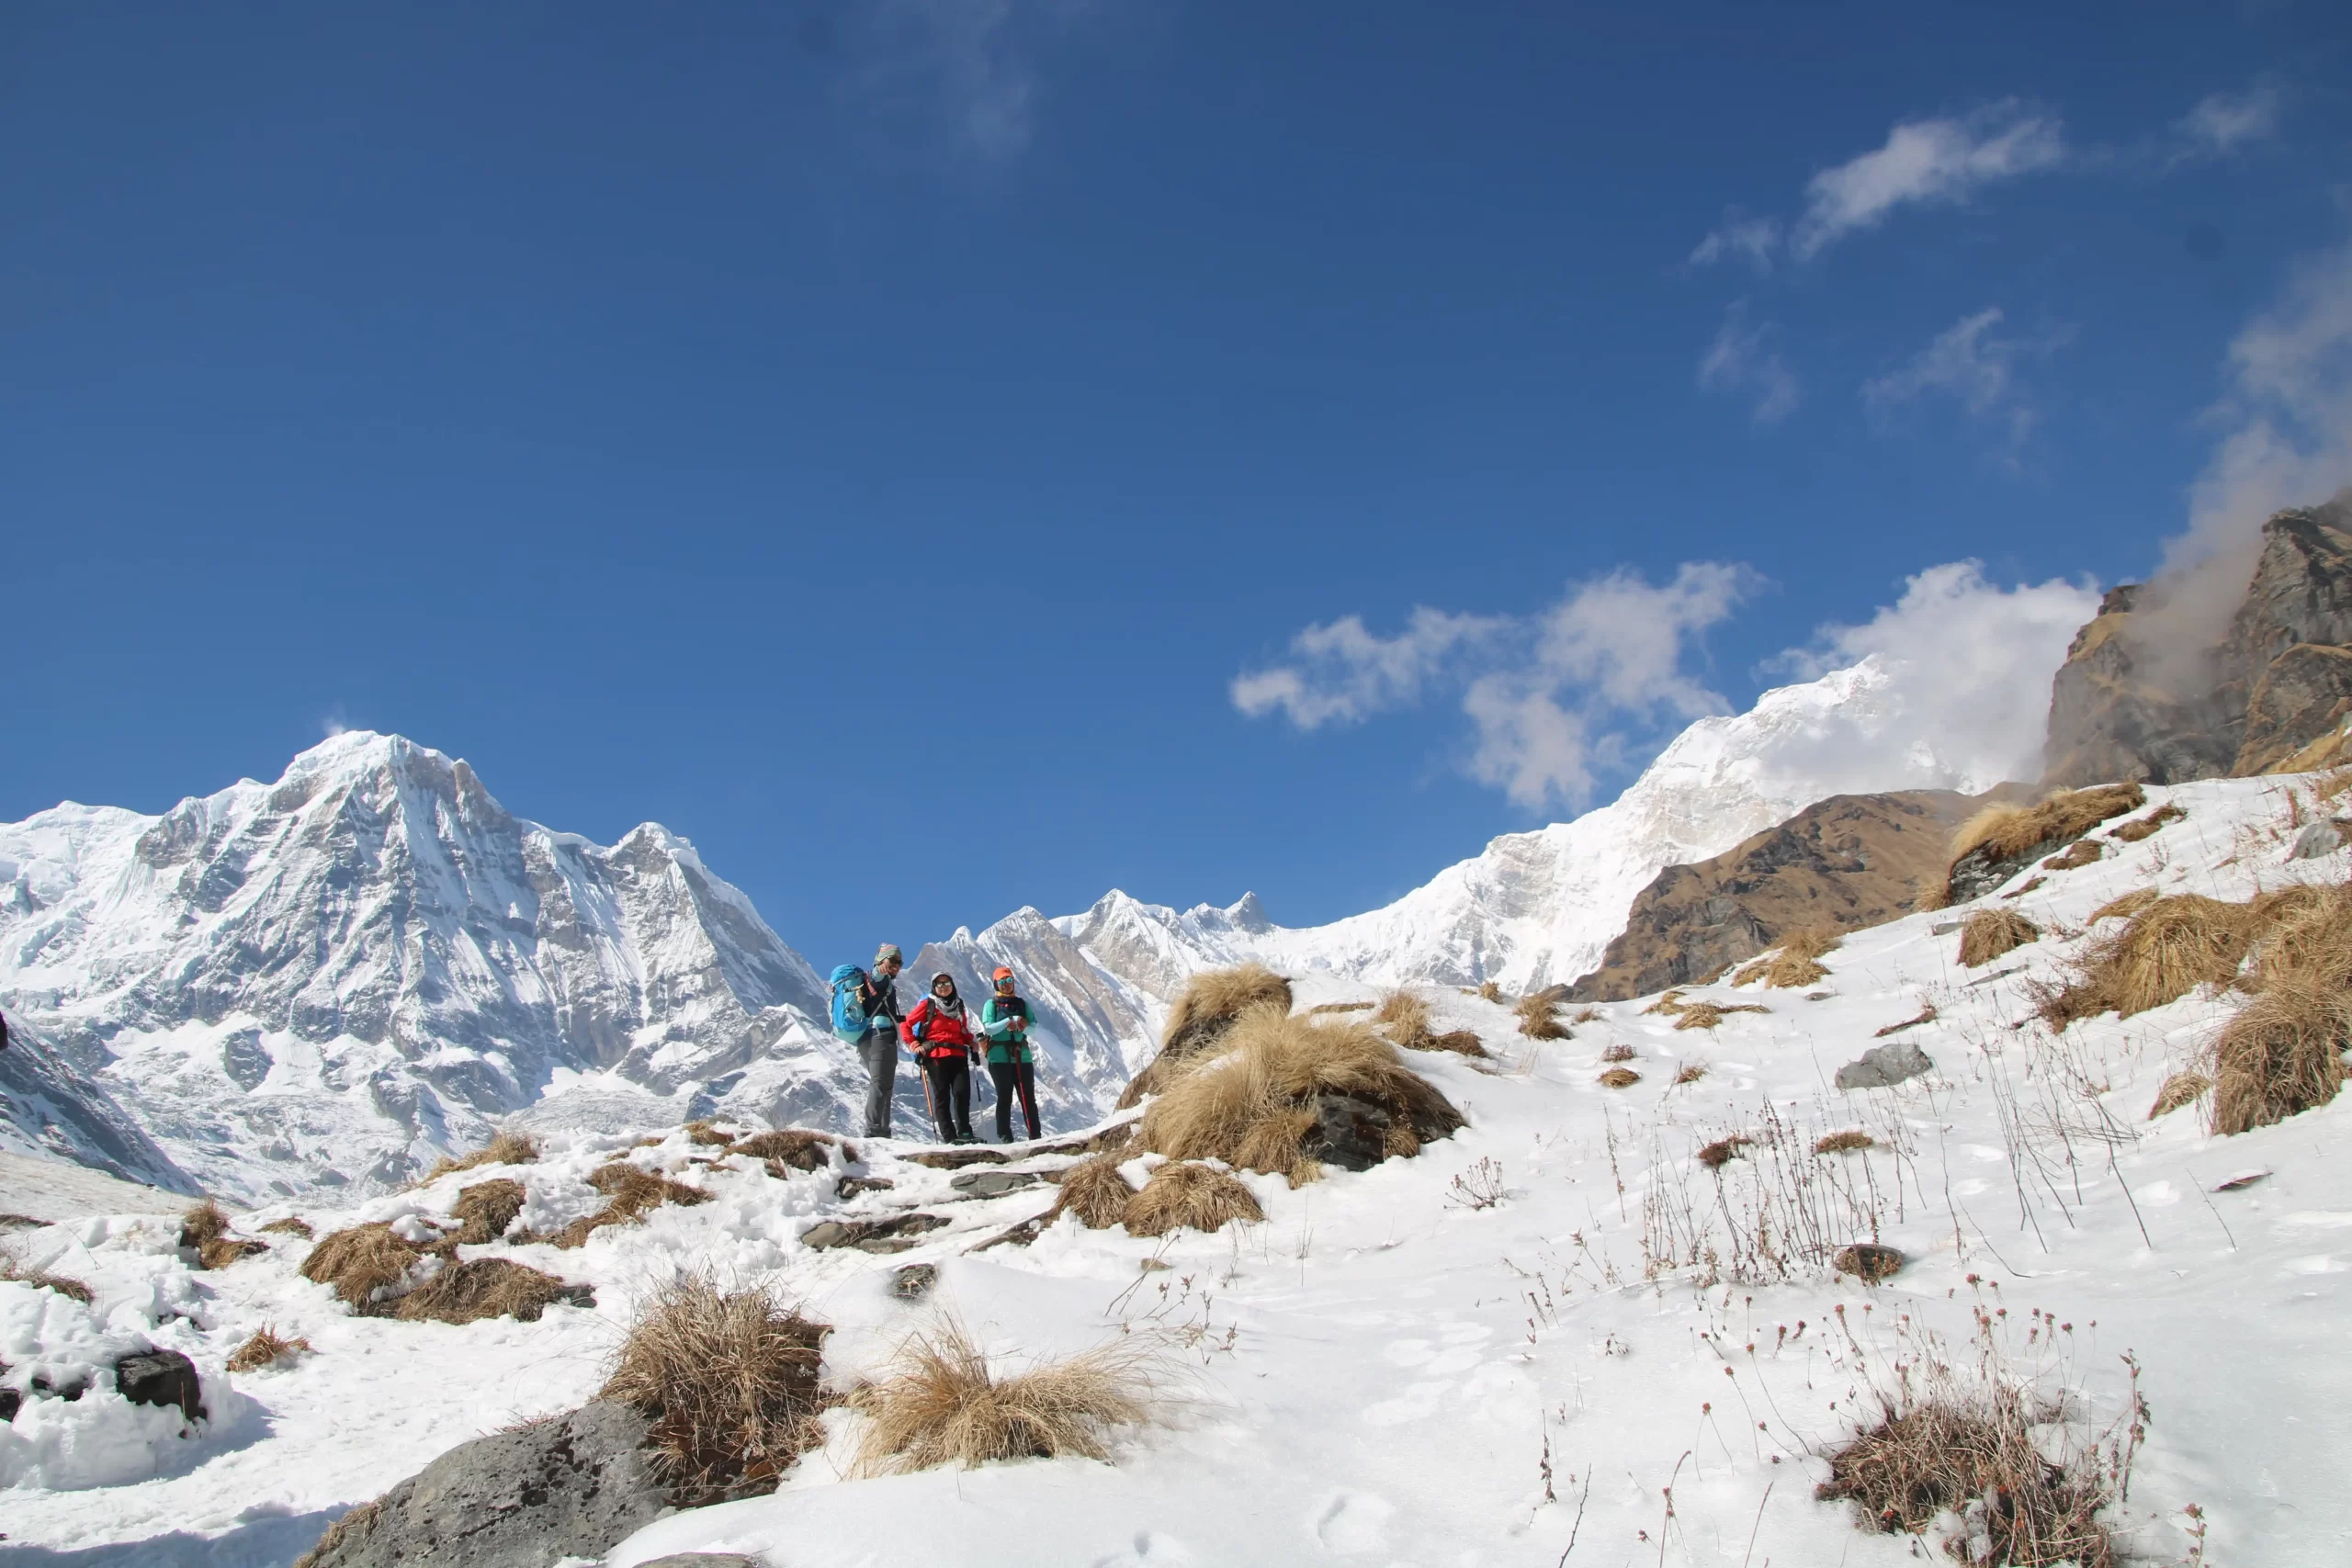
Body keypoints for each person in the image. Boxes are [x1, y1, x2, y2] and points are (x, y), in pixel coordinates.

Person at [830, 943, 906, 1139]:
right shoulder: (877, 978)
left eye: (899, 962)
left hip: (866, 1037)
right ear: (881, 961)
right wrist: (881, 968)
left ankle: (881, 1129)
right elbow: (878, 975)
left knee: (883, 1084)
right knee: (881, 1083)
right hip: (880, 1034)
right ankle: (874, 1129)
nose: (896, 965)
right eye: (892, 961)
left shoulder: (869, 982)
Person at [900, 971, 978, 1145]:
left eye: (947, 983)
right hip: (935, 1055)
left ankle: (965, 1132)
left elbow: (962, 1030)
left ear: (952, 985)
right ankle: (950, 1137)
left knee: (962, 1092)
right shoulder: (928, 1004)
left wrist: (971, 1042)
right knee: (942, 1095)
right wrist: (913, 1044)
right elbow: (906, 1024)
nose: (944, 987)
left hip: (958, 1054)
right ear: (934, 987)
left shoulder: (959, 1005)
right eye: (939, 984)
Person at [978, 965, 1042, 1143]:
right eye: (1002, 982)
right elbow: (989, 1029)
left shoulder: (1022, 1004)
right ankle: (1005, 1136)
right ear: (996, 984)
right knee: (1005, 1094)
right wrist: (1011, 1020)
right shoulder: (991, 1004)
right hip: (999, 1057)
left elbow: (1033, 1030)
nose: (1006, 984)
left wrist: (1022, 1025)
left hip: (1022, 1056)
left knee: (1027, 1096)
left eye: (1009, 980)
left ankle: (1035, 1135)